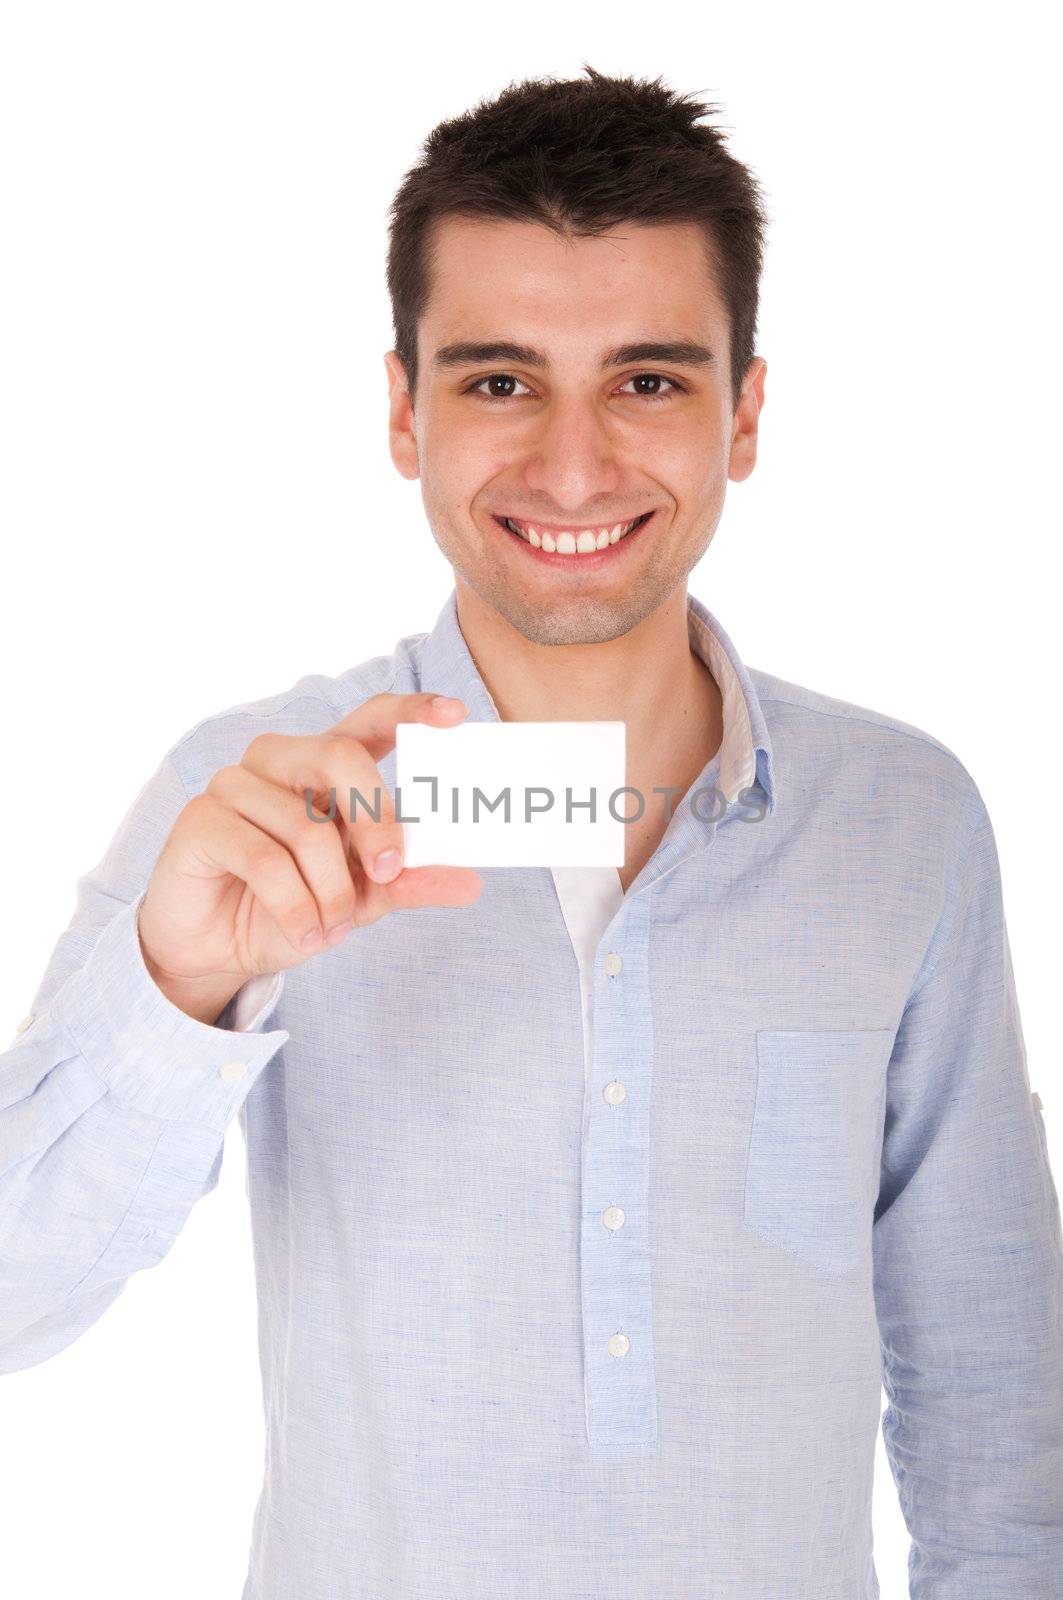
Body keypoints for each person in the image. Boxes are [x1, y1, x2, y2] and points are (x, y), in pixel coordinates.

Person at [2, 64, 1061, 1600]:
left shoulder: (905, 821)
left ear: (746, 415)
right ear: (401, 411)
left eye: (648, 380)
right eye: (500, 380)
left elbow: (996, 1402)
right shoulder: (251, 797)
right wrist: (173, 991)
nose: (574, 468)